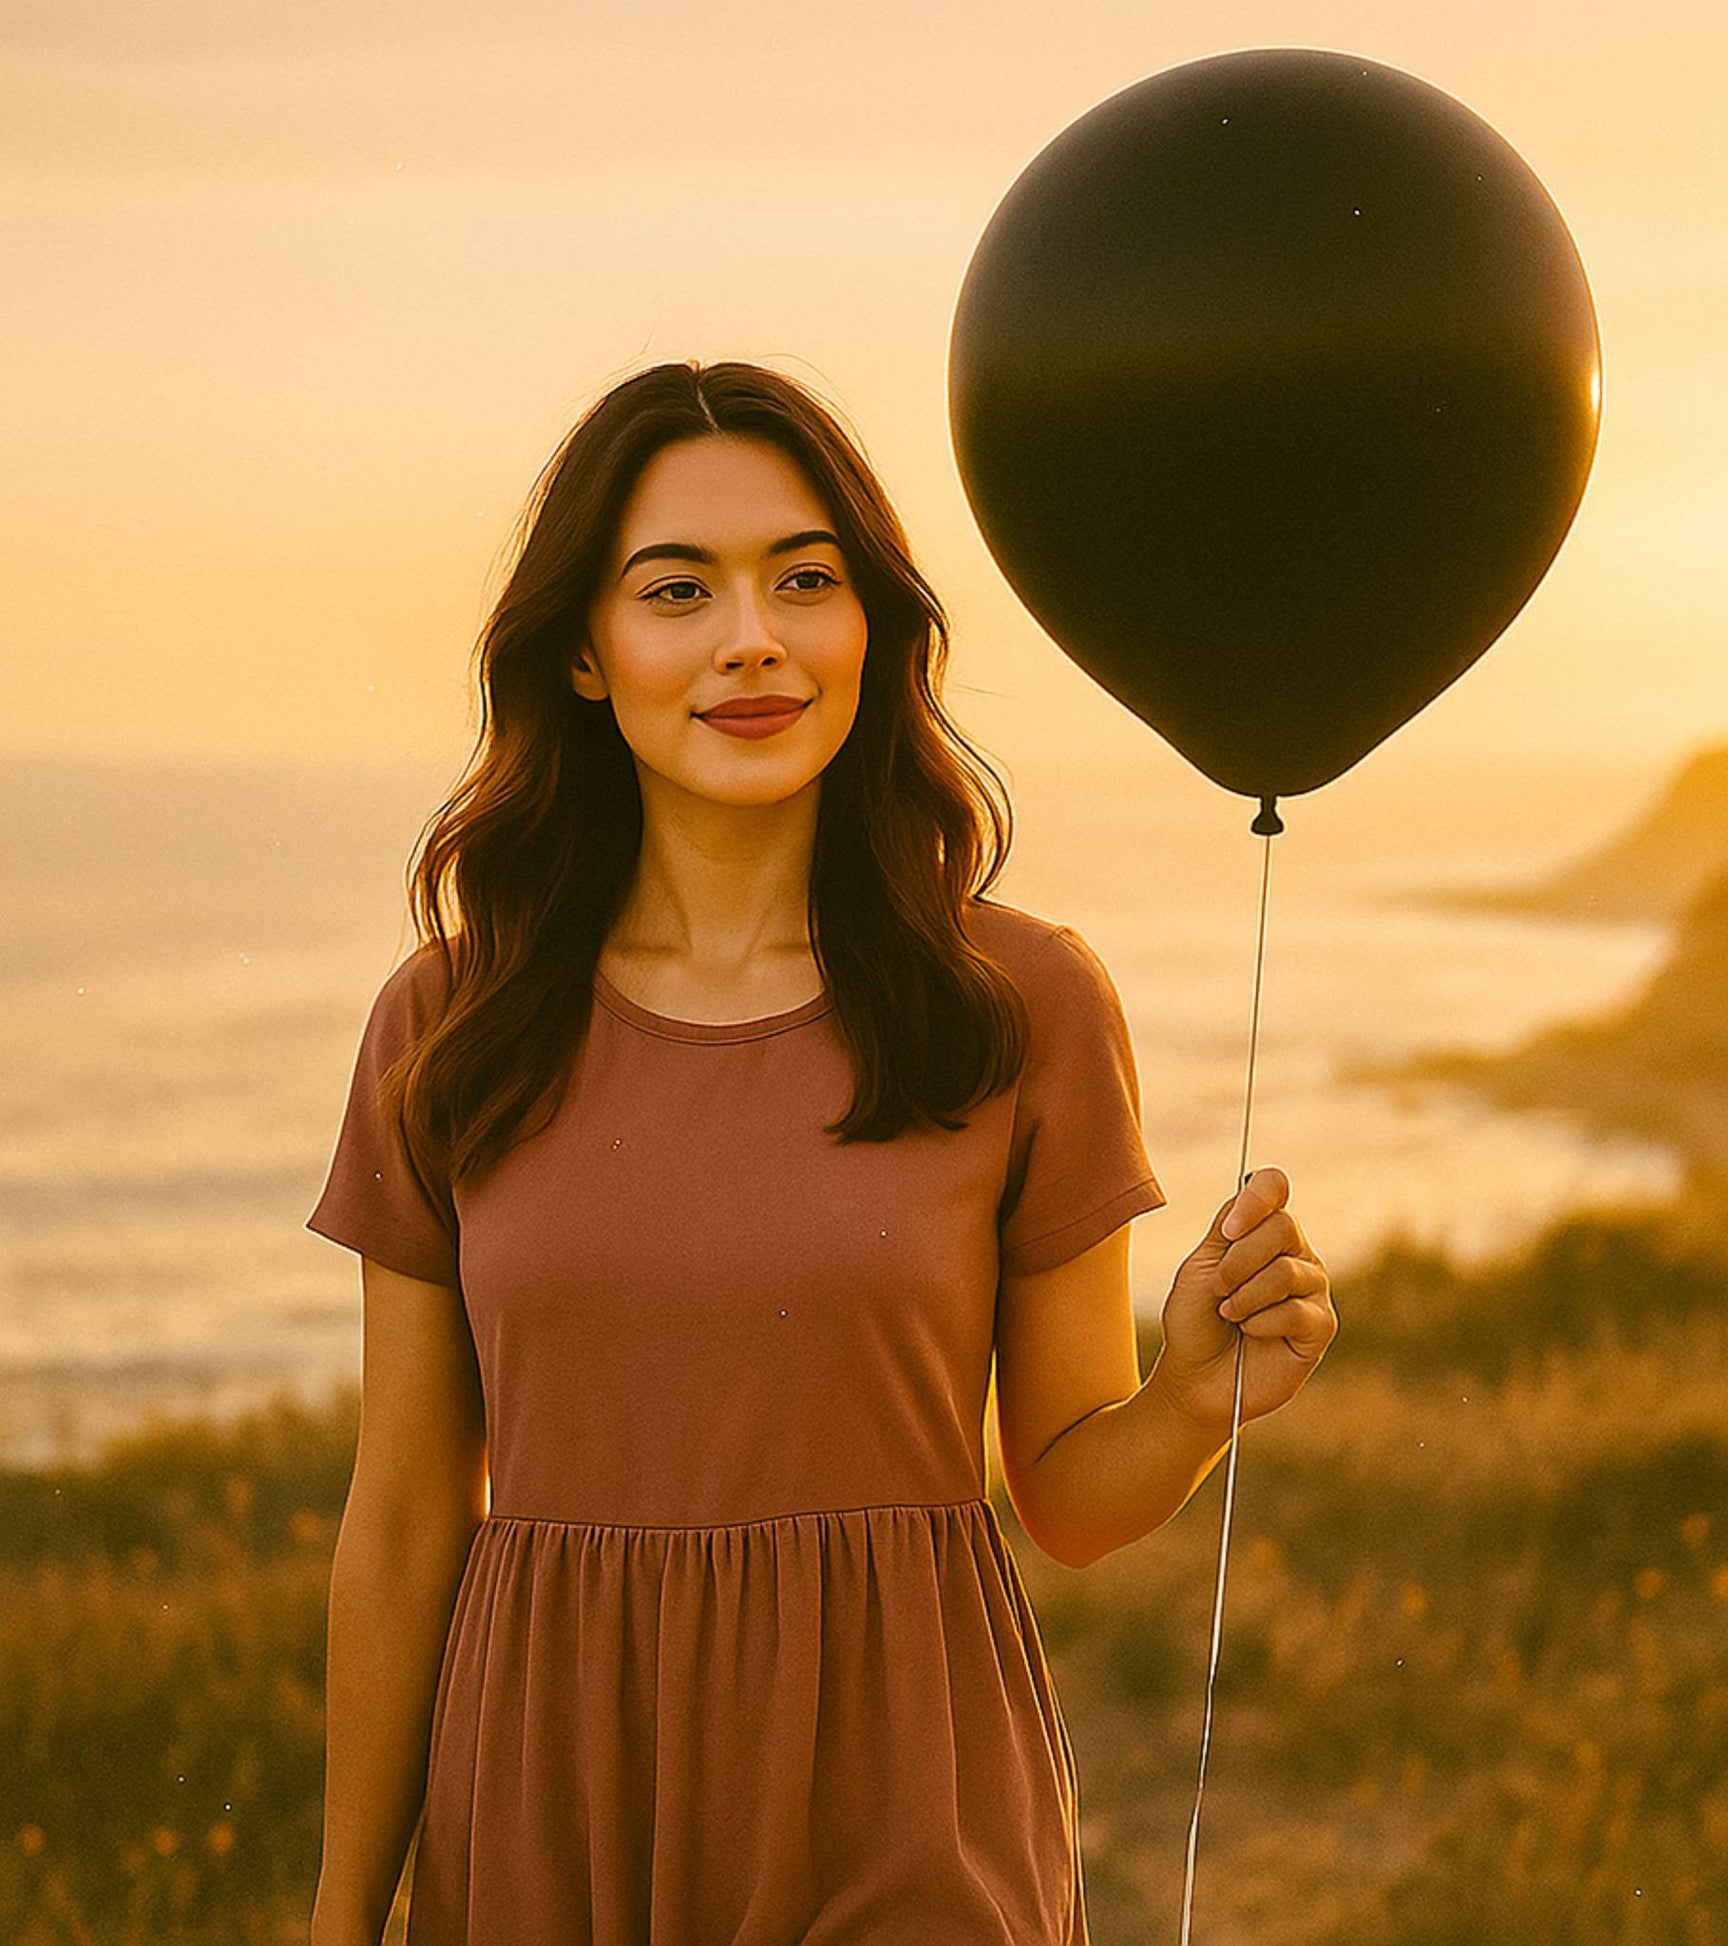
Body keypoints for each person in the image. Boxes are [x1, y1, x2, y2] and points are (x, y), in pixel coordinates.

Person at [304, 358, 1335, 1946]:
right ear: (581, 650)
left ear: (873, 628)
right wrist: (337, 1918)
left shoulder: (1017, 1001)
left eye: (805, 579)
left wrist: (1194, 1398)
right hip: (546, 1806)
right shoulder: (452, 1020)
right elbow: (401, 1516)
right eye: (677, 590)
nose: (752, 638)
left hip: (905, 1797)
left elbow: (1058, 1489)